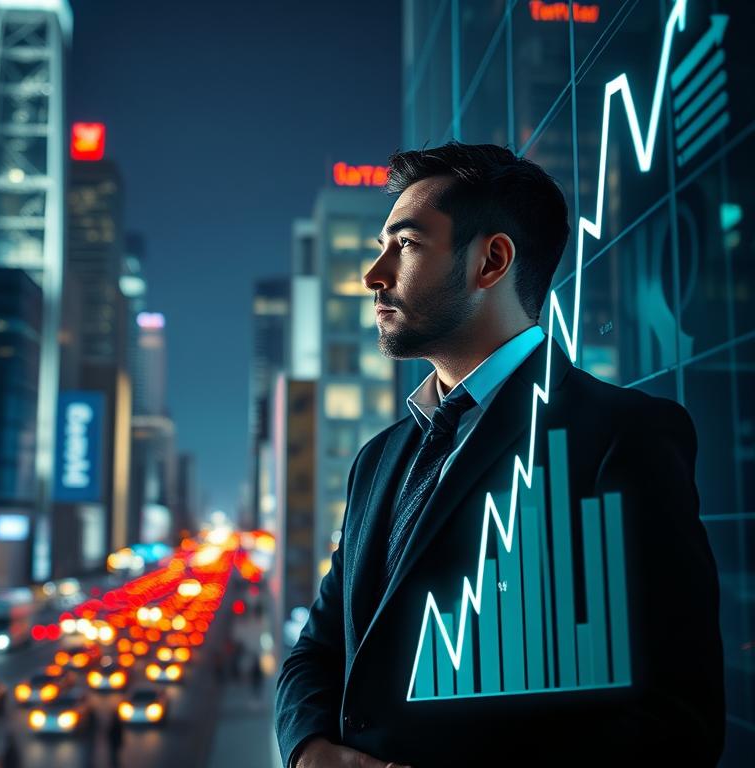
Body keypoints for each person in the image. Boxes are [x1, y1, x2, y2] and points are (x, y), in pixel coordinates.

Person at [274, 143, 725, 767]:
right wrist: (309, 751)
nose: (374, 274)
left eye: (405, 245)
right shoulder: (379, 457)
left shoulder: (622, 436)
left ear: (491, 261)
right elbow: (319, 649)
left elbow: (674, 719)